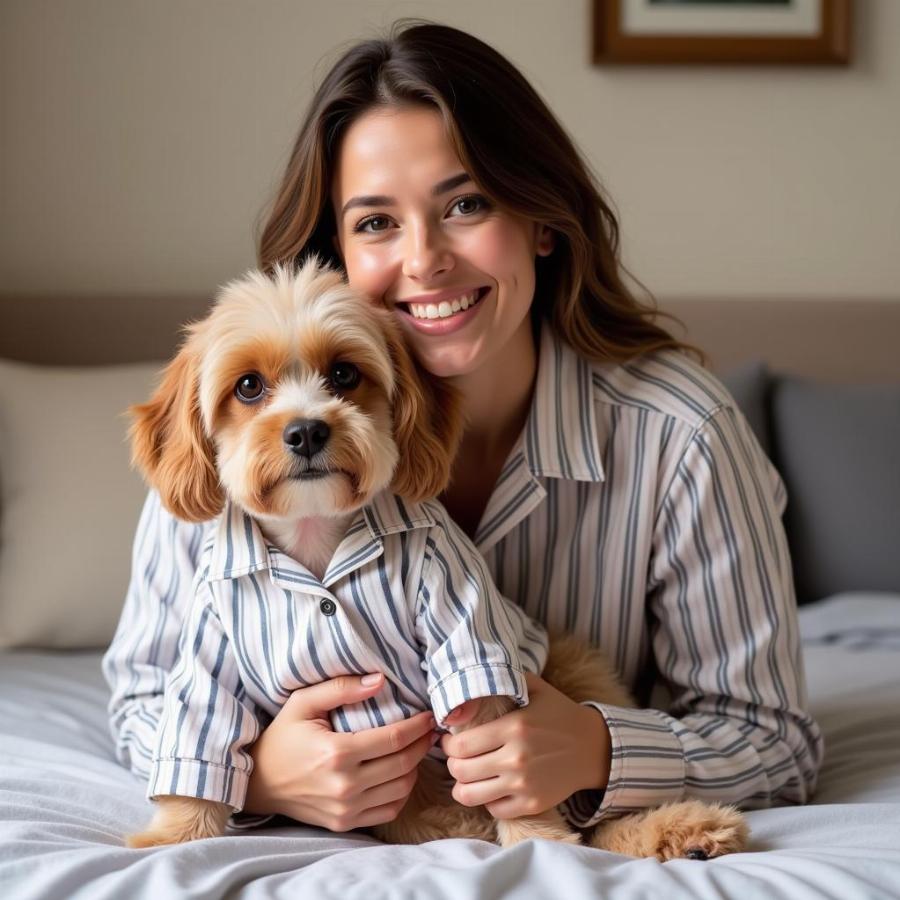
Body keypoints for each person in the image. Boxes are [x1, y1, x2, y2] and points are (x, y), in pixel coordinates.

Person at [102, 20, 823, 836]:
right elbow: (142, 700)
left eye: (467, 204)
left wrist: (598, 750)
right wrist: (257, 779)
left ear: (543, 222)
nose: (426, 260)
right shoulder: (233, 437)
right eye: (376, 222)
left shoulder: (681, 437)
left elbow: (773, 741)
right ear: (336, 248)